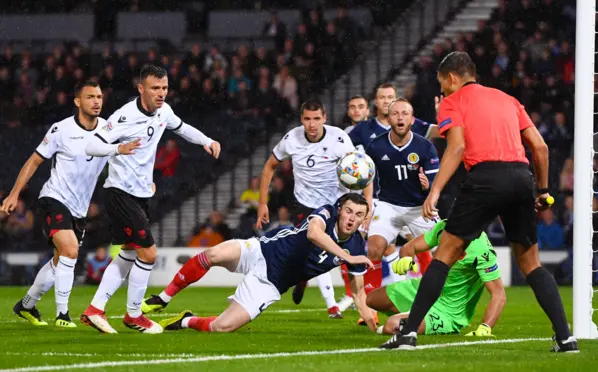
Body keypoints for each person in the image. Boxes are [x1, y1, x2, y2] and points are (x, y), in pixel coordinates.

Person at [380, 51, 578, 353]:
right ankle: (566, 338)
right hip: (521, 177)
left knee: (444, 254)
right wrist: (542, 190)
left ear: (451, 78)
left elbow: (457, 147)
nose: (442, 91)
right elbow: (540, 147)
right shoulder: (507, 99)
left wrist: (434, 191)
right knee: (531, 264)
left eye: (442, 84)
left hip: (485, 178)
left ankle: (407, 335)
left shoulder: (452, 101)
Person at [81, 64, 221, 334]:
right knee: (148, 253)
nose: (161, 93)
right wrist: (117, 148)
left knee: (128, 254)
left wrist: (206, 140)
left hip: (140, 193)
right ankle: (134, 315)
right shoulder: (124, 116)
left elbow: (182, 128)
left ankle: (94, 309)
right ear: (141, 88)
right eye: (155, 88)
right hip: (120, 193)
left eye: (165, 88)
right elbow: (91, 145)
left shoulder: (164, 111)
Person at [142, 193, 378, 333]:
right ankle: (163, 297)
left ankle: (185, 320)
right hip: (263, 250)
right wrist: (346, 257)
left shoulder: (357, 246)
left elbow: (358, 294)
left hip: (273, 283)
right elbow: (314, 234)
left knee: (222, 327)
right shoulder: (327, 213)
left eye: (359, 215)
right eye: (348, 211)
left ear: (363, 219)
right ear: (340, 210)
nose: (351, 218)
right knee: (213, 254)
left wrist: (374, 328)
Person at [3, 81, 114, 328]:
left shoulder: (109, 129)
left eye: (99, 96)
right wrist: (14, 195)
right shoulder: (60, 130)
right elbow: (33, 161)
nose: (96, 101)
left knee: (59, 262)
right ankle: (62, 315)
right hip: (53, 199)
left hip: (79, 209)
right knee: (71, 250)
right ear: (77, 102)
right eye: (90, 97)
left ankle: (26, 304)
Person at [254, 100, 372, 319]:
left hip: (337, 204)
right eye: (307, 119)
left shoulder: (338, 138)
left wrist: (368, 205)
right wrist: (263, 203)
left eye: (317, 118)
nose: (312, 124)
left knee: (334, 250)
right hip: (304, 204)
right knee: (314, 248)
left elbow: (361, 168)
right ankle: (322, 296)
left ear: (324, 118)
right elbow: (270, 165)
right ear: (302, 119)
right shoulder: (292, 138)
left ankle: (337, 302)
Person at [355, 98, 440, 324]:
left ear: (412, 119)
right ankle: (370, 307)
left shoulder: (425, 146)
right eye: (395, 114)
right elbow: (369, 178)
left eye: (405, 114)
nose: (400, 117)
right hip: (388, 205)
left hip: (418, 207)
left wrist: (427, 187)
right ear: (389, 118)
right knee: (373, 249)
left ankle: (439, 300)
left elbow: (435, 184)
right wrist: (368, 205)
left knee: (446, 251)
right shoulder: (376, 146)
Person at [367, 220, 506, 336]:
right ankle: (413, 314)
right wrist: (406, 259)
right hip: (423, 289)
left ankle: (416, 319)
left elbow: (499, 294)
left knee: (391, 326)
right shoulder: (445, 227)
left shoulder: (482, 252)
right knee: (372, 299)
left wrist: (485, 327)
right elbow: (409, 247)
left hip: (446, 311)